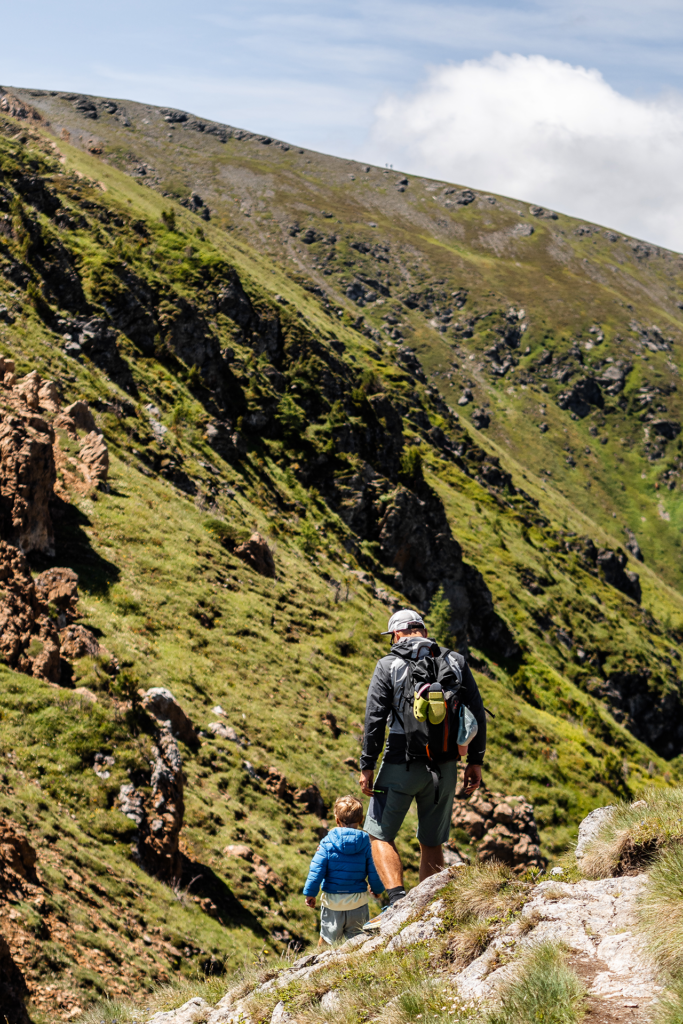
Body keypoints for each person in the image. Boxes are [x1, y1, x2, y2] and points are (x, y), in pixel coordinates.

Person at [359, 608, 487, 922]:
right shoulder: (454, 661)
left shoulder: (388, 665)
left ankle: (398, 902)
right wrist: (475, 762)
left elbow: (375, 720)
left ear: (398, 634)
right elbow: (477, 712)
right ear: (423, 631)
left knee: (378, 834)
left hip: (402, 761)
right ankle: (426, 908)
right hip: (444, 766)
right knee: (431, 840)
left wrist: (367, 765)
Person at [303, 794, 385, 945]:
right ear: (361, 820)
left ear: (337, 820)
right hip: (358, 903)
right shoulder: (367, 843)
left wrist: (310, 893)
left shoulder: (327, 842)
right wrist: (377, 889)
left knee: (327, 941)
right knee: (357, 943)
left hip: (332, 904)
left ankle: (320, 965)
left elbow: (316, 870)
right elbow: (374, 869)